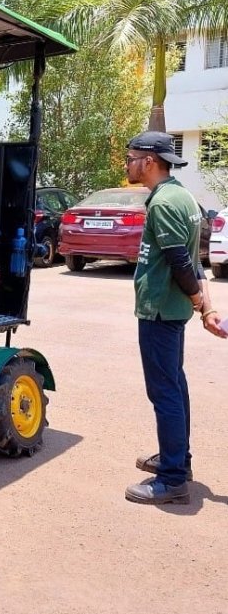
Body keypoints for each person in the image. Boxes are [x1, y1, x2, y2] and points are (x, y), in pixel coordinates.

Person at [123, 131, 226, 506]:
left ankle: (172, 480)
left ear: (149, 161)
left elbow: (181, 263)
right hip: (172, 309)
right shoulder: (183, 197)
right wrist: (208, 309)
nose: (128, 164)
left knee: (164, 391)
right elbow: (195, 260)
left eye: (131, 157)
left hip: (160, 310)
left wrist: (202, 303)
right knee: (174, 386)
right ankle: (177, 460)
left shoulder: (165, 202)